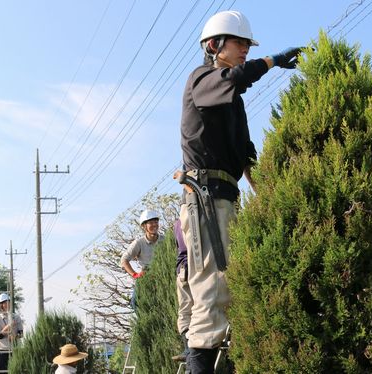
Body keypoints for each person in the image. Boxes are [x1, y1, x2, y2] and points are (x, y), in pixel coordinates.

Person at [178, 10, 302, 373]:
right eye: (241, 42)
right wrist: (274, 61)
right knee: (210, 296)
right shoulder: (202, 79)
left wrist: (263, 191)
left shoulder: (232, 102)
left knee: (228, 296)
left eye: (249, 44)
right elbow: (236, 78)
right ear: (215, 45)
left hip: (227, 197)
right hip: (205, 196)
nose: (246, 49)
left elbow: (245, 151)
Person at [120, 209, 164, 311]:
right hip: (146, 278)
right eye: (151, 222)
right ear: (144, 226)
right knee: (136, 303)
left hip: (163, 277)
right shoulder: (139, 243)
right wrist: (135, 275)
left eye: (156, 222)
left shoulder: (165, 240)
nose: (154, 224)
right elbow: (124, 260)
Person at [172, 219, 192, 365]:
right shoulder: (190, 218)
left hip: (185, 269)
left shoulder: (178, 222)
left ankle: (189, 349)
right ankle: (188, 349)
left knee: (186, 310)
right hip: (188, 268)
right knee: (187, 310)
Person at [0, 293, 23, 371]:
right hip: (2, 350)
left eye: (8, 302)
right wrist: (9, 326)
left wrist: (14, 337)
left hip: (15, 349)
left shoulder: (16, 317)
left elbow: (21, 333)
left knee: (16, 370)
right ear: (1, 305)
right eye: (5, 303)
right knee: (2, 371)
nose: (8, 304)